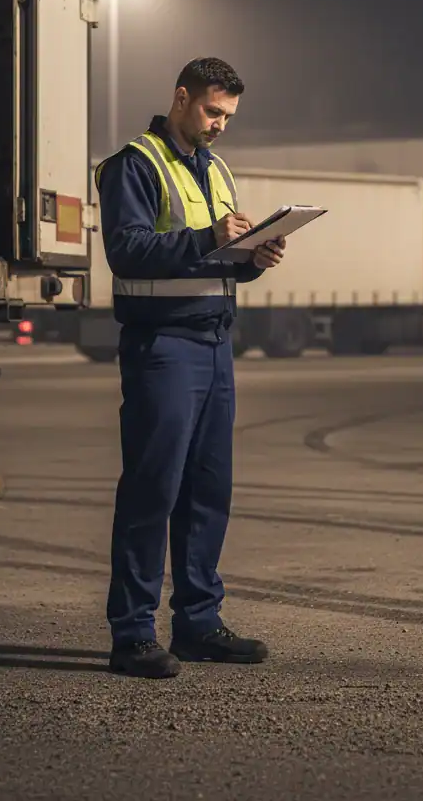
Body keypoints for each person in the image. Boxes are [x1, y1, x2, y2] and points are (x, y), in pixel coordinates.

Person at [94, 57, 287, 679]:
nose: (219, 126)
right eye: (211, 111)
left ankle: (198, 624)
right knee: (153, 490)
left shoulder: (216, 168)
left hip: (213, 345)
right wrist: (208, 239)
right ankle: (132, 633)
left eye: (228, 116)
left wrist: (253, 256)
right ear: (181, 98)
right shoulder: (135, 164)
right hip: (163, 349)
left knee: (207, 492)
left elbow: (216, 259)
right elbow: (127, 252)